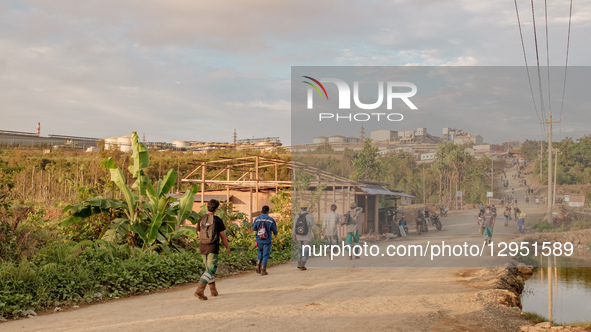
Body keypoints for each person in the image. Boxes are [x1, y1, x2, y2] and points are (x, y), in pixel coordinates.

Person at [194, 199, 231, 301]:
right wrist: (227, 247)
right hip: (212, 247)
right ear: (216, 209)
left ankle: (213, 291)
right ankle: (200, 290)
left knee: (207, 269)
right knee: (211, 269)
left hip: (202, 246)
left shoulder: (201, 219)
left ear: (207, 207)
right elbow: (223, 236)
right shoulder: (217, 220)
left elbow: (198, 234)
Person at [252, 205, 278, 276]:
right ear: (268, 211)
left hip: (259, 239)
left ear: (262, 211)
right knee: (266, 254)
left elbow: (254, 228)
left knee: (260, 252)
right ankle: (263, 270)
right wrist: (275, 234)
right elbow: (274, 229)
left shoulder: (257, 219)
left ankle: (258, 264)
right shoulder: (270, 219)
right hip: (267, 239)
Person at [292, 202, 317, 270]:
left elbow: (294, 226)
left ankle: (299, 263)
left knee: (300, 249)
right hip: (306, 236)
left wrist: (294, 236)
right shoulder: (309, 216)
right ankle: (302, 264)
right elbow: (313, 226)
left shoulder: (297, 216)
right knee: (306, 250)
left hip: (298, 235)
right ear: (306, 208)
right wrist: (315, 233)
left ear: (300, 208)